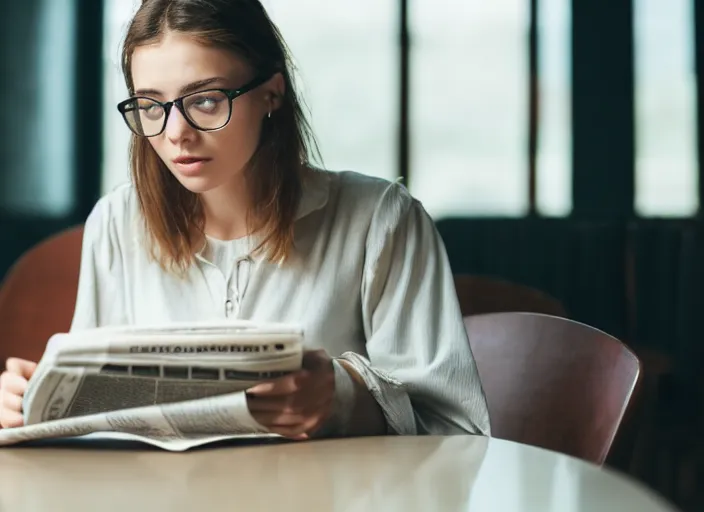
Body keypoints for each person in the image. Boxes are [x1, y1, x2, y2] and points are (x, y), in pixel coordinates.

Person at [0, 0, 490, 439]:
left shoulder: (381, 220)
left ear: (271, 93)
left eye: (206, 100)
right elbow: (92, 424)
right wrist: (31, 403)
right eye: (151, 105)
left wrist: (342, 399)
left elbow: (456, 430)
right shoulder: (115, 221)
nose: (176, 134)